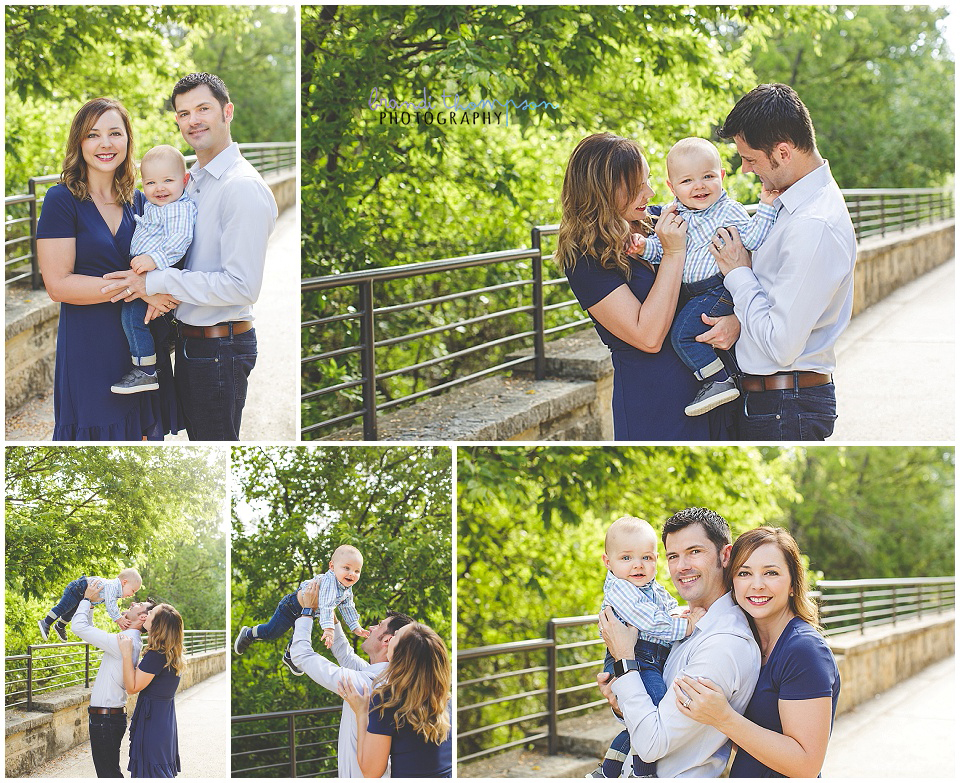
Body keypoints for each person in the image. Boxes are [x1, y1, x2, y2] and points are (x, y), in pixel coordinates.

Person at [102, 72, 278, 441]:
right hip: (191, 342)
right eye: (183, 113)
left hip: (219, 347)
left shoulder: (241, 188)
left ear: (227, 111)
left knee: (214, 445)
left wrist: (154, 281)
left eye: (203, 108)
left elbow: (241, 287)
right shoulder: (190, 180)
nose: (193, 120)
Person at [557, 133, 740, 440]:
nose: (651, 193)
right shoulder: (585, 259)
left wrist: (735, 321)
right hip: (659, 407)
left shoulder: (662, 221)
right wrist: (672, 253)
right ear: (602, 190)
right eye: (637, 186)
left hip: (720, 390)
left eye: (649, 181)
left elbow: (729, 274)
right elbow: (648, 336)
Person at [711, 83, 857, 440]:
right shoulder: (790, 203)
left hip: (785, 406)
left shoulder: (813, 225)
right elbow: (774, 301)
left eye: (751, 159)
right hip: (775, 401)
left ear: (783, 152)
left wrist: (738, 271)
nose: (744, 169)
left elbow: (780, 344)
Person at [36, 97, 182, 440]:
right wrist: (138, 286)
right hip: (90, 345)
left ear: (128, 140)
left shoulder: (143, 199)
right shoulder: (61, 200)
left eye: (115, 133)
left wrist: (162, 287)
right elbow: (58, 284)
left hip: (143, 348)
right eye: (93, 135)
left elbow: (176, 249)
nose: (105, 143)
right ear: (79, 143)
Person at [596, 507, 761, 777]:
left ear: (725, 555)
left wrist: (625, 659)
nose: (682, 566)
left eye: (694, 551)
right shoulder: (683, 623)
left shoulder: (724, 644)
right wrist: (620, 700)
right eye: (674, 556)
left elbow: (651, 744)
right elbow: (652, 714)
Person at [673, 527, 841, 777]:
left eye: (771, 573)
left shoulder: (804, 650)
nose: (757, 585)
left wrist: (723, 718)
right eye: (744, 573)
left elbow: (806, 765)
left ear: (794, 584)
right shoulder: (743, 642)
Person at [631, 137, 778, 416]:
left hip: (717, 288)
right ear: (672, 188)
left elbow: (754, 238)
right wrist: (643, 247)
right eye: (687, 181)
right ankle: (724, 378)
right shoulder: (674, 216)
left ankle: (718, 380)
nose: (699, 186)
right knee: (691, 331)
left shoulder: (728, 211)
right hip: (695, 291)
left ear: (722, 177)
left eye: (708, 176)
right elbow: (665, 252)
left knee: (683, 335)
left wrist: (766, 208)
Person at [588, 516, 705, 779]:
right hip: (637, 658)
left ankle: (608, 770)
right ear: (608, 562)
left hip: (649, 658)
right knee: (654, 713)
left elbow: (668, 608)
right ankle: (643, 773)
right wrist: (686, 627)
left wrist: (682, 614)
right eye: (627, 558)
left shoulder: (651, 587)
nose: (638, 565)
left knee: (636, 723)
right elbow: (649, 621)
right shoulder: (620, 589)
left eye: (647, 558)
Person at [289, 578, 415, 777]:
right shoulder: (382, 677)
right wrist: (330, 613)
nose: (372, 627)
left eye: (379, 625)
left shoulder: (363, 684)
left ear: (387, 641)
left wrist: (307, 611)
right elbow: (344, 653)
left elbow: (301, 655)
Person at [112, 145, 197, 395]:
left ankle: (146, 370)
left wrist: (153, 259)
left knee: (131, 317)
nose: (159, 188)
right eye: (150, 182)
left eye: (168, 181)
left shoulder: (178, 208)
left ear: (184, 180)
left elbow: (180, 240)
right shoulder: (155, 205)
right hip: (147, 270)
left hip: (157, 271)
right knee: (138, 317)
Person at [338, 622, 453, 778]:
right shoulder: (445, 698)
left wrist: (361, 712)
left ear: (398, 655)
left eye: (396, 635)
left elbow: (371, 772)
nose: (391, 637)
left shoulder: (389, 700)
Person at [234, 545, 369, 676]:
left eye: (357, 571)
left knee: (300, 636)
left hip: (307, 613)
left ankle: (289, 656)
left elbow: (348, 606)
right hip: (291, 608)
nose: (352, 574)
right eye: (346, 568)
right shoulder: (330, 581)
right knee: (271, 632)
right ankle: (249, 633)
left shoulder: (346, 588)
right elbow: (327, 605)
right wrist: (328, 629)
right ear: (332, 567)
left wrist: (355, 626)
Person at [71, 583, 152, 778]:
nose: (133, 602)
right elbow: (87, 628)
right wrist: (89, 606)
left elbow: (79, 627)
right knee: (109, 773)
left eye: (138, 604)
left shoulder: (124, 641)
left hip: (105, 720)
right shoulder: (128, 640)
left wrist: (87, 599)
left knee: (109, 775)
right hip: (107, 718)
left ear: (142, 618)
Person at [118, 603, 185, 778]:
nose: (146, 614)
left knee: (151, 772)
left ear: (158, 625)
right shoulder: (168, 652)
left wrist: (126, 654)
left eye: (151, 613)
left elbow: (132, 687)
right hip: (163, 720)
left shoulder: (157, 655)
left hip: (153, 722)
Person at [39, 567, 142, 641]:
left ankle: (60, 626)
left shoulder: (111, 592)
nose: (132, 595)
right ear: (124, 582)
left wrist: (89, 625)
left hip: (82, 594)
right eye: (133, 591)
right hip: (78, 588)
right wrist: (119, 619)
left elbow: (90, 605)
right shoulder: (113, 587)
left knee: (70, 613)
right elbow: (111, 606)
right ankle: (46, 622)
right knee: (63, 608)